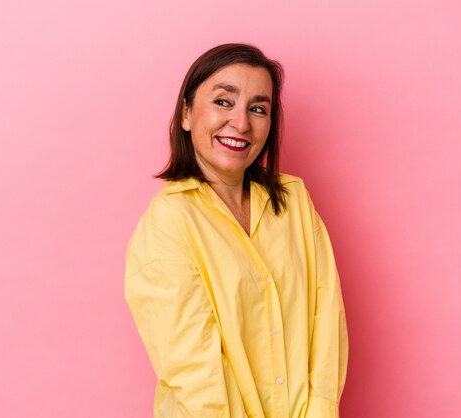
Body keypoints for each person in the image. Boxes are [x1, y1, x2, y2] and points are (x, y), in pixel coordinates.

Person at [124, 43, 348, 418]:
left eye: (258, 109)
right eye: (224, 102)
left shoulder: (294, 202)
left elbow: (327, 321)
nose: (242, 123)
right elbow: (196, 373)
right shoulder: (169, 222)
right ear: (186, 114)